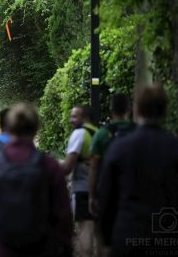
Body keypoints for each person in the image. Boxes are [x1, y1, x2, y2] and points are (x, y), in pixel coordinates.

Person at [99, 85, 178, 257]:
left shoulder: (119, 148)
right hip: (169, 238)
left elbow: (107, 196)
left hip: (128, 235)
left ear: (137, 110)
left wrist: (106, 238)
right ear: (165, 111)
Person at [0, 104, 73, 257]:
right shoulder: (49, 166)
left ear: (7, 127)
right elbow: (63, 216)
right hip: (42, 249)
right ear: (36, 128)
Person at [88, 93, 135, 218]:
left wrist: (92, 196)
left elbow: (94, 168)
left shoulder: (101, 134)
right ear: (130, 108)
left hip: (108, 192)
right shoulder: (140, 132)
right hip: (135, 191)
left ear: (111, 109)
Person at [60, 105, 99, 257]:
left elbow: (67, 167)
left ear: (86, 117)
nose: (71, 120)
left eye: (75, 116)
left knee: (85, 230)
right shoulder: (99, 133)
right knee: (100, 234)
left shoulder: (79, 134)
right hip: (101, 188)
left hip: (83, 187)